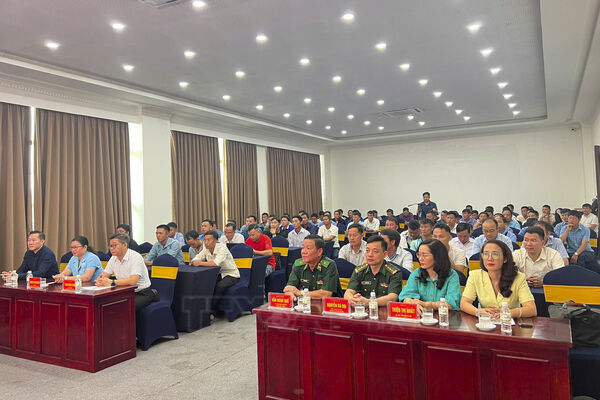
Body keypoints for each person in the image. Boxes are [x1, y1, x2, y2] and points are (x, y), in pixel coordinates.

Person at [461, 240, 536, 319]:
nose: (490, 258)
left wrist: (508, 313)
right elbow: (464, 303)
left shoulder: (519, 278)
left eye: (495, 254)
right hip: (486, 323)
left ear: (505, 259)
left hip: (509, 323)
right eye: (486, 254)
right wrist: (478, 312)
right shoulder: (475, 276)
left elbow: (532, 309)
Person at [398, 239, 462, 315]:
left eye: (424, 255)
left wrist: (425, 304)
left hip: (445, 317)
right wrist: (410, 302)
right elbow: (406, 295)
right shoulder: (416, 273)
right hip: (422, 316)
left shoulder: (451, 275)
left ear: (437, 256)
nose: (420, 259)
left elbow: (451, 304)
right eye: (418, 254)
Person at [96, 233, 157, 311]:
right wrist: (100, 280)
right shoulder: (113, 258)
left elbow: (133, 281)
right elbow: (104, 275)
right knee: (104, 304)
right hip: (123, 292)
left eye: (114, 245)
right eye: (110, 246)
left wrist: (112, 282)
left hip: (141, 293)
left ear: (124, 245)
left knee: (123, 307)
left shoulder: (135, 257)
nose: (111, 248)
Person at [191, 230, 240, 318]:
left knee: (219, 286)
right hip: (217, 274)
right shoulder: (206, 248)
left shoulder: (222, 247)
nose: (206, 242)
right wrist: (193, 261)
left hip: (231, 274)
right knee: (206, 284)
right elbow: (198, 257)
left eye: (209, 240)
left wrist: (199, 263)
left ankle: (211, 311)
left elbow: (215, 263)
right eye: (205, 240)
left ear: (216, 240)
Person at [344, 235, 403, 307]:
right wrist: (351, 299)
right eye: (367, 250)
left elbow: (393, 297)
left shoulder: (394, 273)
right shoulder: (359, 271)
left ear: (384, 254)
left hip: (384, 311)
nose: (370, 254)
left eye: (375, 251)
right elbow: (349, 292)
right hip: (362, 310)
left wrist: (370, 302)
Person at [284, 235, 340, 300]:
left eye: (308, 248)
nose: (303, 252)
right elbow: (289, 288)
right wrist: (291, 294)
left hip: (328, 304)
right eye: (302, 248)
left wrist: (300, 293)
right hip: (304, 304)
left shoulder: (329, 265)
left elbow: (326, 294)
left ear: (319, 251)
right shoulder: (298, 264)